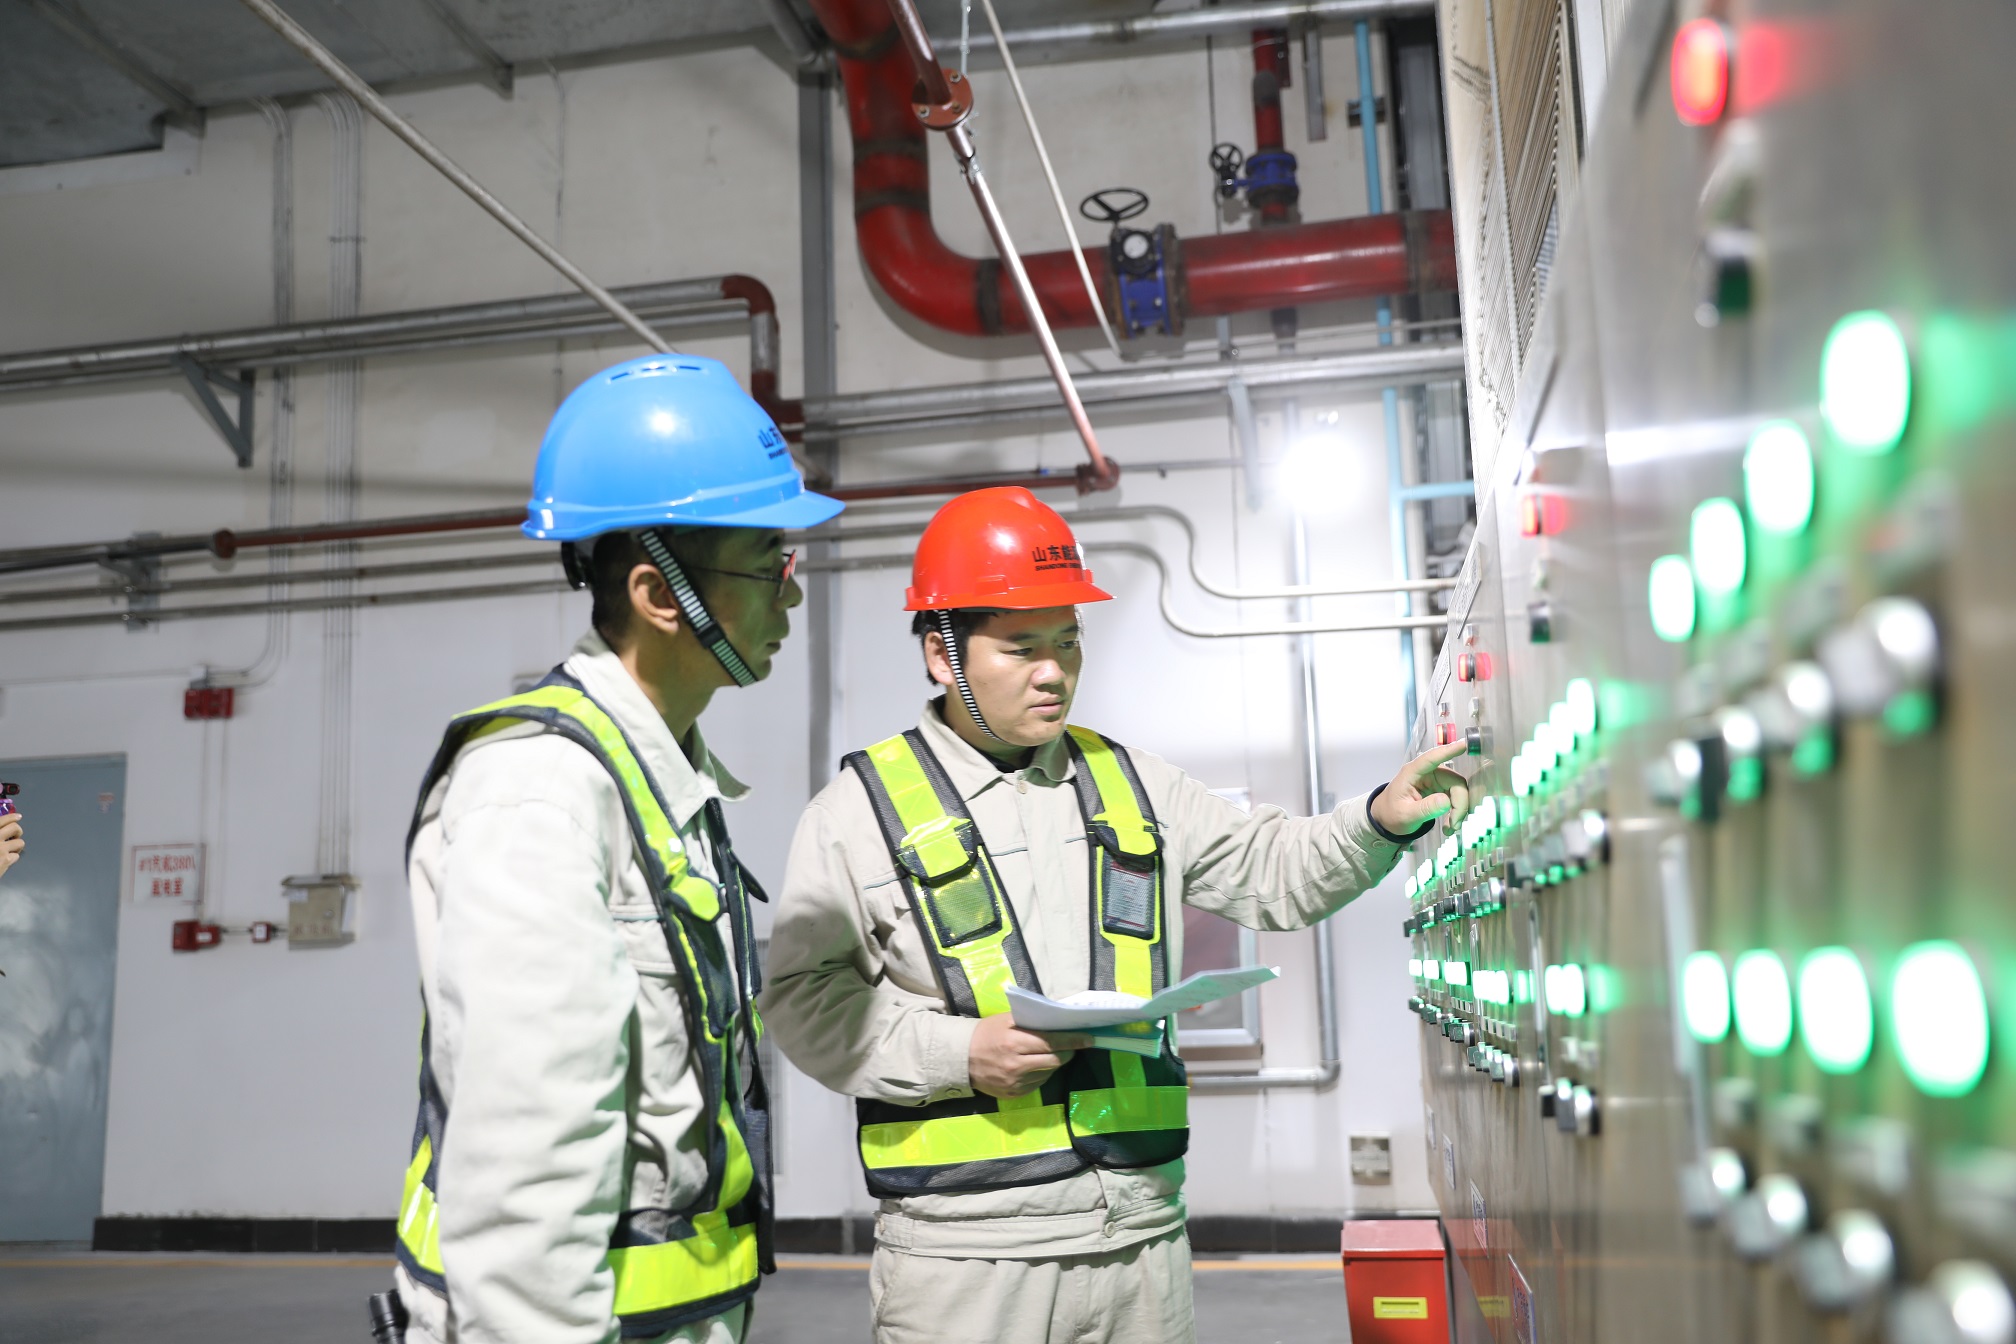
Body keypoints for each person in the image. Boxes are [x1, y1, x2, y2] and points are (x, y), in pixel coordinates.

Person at [761, 486, 1472, 1344]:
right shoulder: (856, 813)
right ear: (942, 656)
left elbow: (1272, 869)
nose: (1053, 671)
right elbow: (803, 1001)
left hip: (1142, 1237)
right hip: (966, 1259)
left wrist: (1378, 821)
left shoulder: (1132, 782)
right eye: (1022, 648)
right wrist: (960, 1052)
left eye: (1067, 641)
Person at [385, 354, 841, 1344]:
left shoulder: (662, 778)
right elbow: (527, 1163)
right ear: (660, 593)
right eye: (769, 561)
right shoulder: (541, 794)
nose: (792, 595)